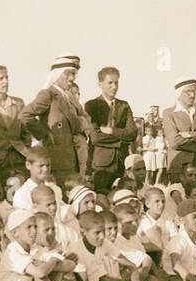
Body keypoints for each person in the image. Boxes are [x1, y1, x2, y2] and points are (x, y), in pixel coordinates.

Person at [24, 55, 90, 185]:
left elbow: (86, 117)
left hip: (74, 162)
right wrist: (45, 134)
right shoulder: (48, 94)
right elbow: (25, 115)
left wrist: (82, 126)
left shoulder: (70, 97)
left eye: (74, 74)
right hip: (56, 163)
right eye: (68, 74)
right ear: (57, 74)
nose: (72, 78)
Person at [83, 66, 138, 194]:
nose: (114, 86)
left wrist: (112, 131)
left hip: (121, 163)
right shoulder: (92, 105)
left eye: (116, 82)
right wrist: (121, 140)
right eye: (110, 83)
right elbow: (95, 137)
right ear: (100, 84)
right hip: (101, 166)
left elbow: (133, 133)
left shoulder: (124, 105)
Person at [0, 63, 29, 199]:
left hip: (17, 160)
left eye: (7, 77)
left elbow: (25, 132)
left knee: (16, 197)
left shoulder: (18, 103)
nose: (6, 81)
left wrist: (24, 151)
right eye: (1, 78)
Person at [163, 78, 196, 186]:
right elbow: (174, 142)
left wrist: (189, 134)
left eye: (194, 91)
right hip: (179, 166)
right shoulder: (169, 113)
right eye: (188, 91)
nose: (192, 95)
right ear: (179, 94)